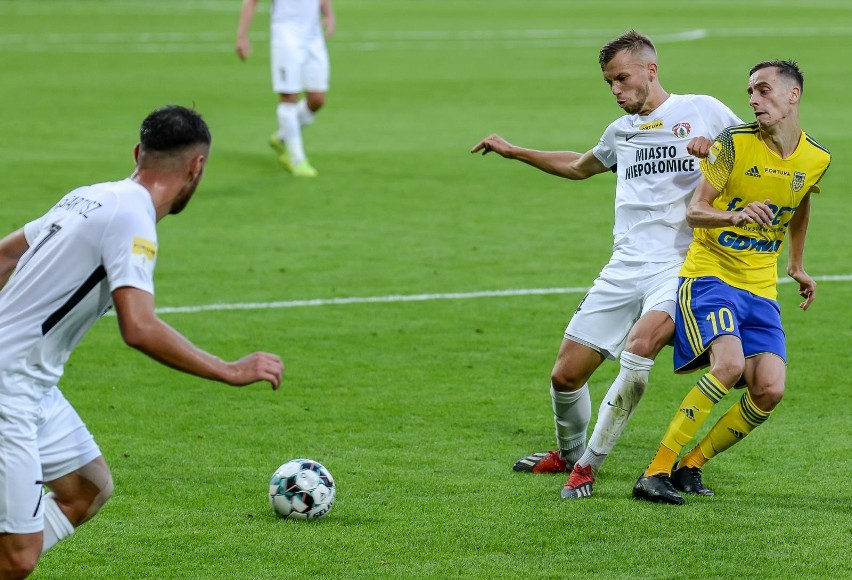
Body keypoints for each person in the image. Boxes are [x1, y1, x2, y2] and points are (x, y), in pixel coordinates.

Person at [0, 105, 284, 578]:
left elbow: (6, 254)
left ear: (138, 153)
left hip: (31, 384)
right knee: (18, 557)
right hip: (8, 386)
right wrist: (230, 369)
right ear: (197, 167)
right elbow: (139, 327)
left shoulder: (90, 196)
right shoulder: (133, 219)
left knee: (86, 489)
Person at [470, 30, 742, 499]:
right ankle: (568, 454)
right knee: (565, 375)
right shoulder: (622, 132)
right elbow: (579, 166)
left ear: (650, 70)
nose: (616, 90)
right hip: (624, 267)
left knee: (638, 353)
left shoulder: (704, 110)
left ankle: (592, 467)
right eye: (609, 83)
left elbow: (754, 157)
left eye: (622, 78)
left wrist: (716, 152)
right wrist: (515, 151)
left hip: (680, 266)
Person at [632, 60, 831, 505]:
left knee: (770, 388)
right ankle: (655, 470)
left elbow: (798, 206)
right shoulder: (733, 144)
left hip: (760, 286)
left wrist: (796, 264)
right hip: (711, 274)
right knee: (728, 365)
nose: (753, 100)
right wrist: (734, 214)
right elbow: (696, 210)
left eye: (763, 90)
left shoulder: (815, 159)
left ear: (792, 95)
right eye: (750, 92)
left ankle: (691, 466)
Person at [236, 0, 336, 178]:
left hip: (313, 35)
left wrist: (329, 14)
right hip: (287, 34)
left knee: (318, 99)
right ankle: (296, 159)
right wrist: (242, 36)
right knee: (289, 96)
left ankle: (282, 137)